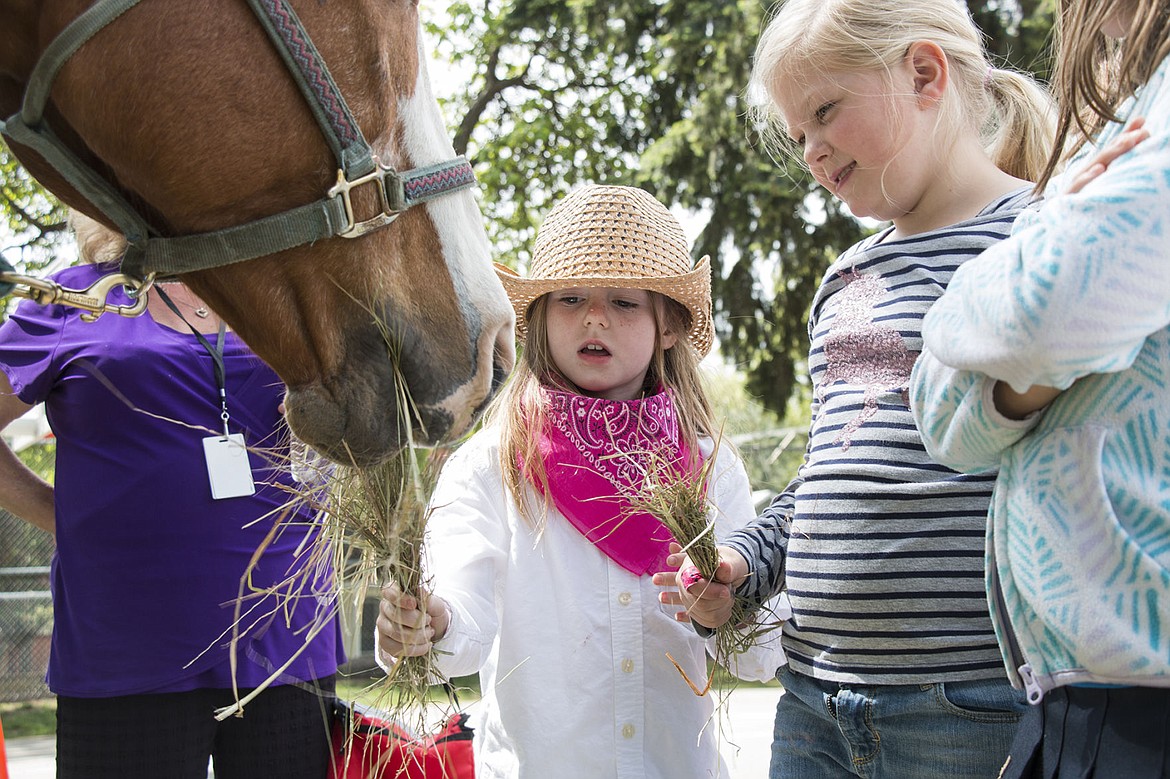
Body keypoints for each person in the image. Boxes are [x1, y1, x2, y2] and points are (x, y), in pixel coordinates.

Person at [672, 1, 1059, 777]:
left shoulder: (1042, 238)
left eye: (824, 112)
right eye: (798, 135)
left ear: (923, 73)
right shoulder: (846, 276)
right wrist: (744, 564)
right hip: (814, 701)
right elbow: (828, 472)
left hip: (970, 704)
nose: (812, 151)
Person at [374, 184, 786, 779]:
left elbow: (758, 652)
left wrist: (728, 609)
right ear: (540, 319)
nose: (595, 317)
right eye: (570, 298)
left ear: (667, 324)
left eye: (623, 301)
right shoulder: (492, 462)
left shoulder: (710, 463)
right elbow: (459, 619)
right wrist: (427, 622)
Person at [909, 0, 1170, 775]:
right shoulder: (1135, 114)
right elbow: (944, 420)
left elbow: (1034, 313)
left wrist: (1010, 262)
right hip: (1074, 701)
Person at [0, 215, 344, 779]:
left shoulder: (285, 286)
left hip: (286, 642)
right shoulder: (75, 297)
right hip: (126, 649)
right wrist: (56, 513)